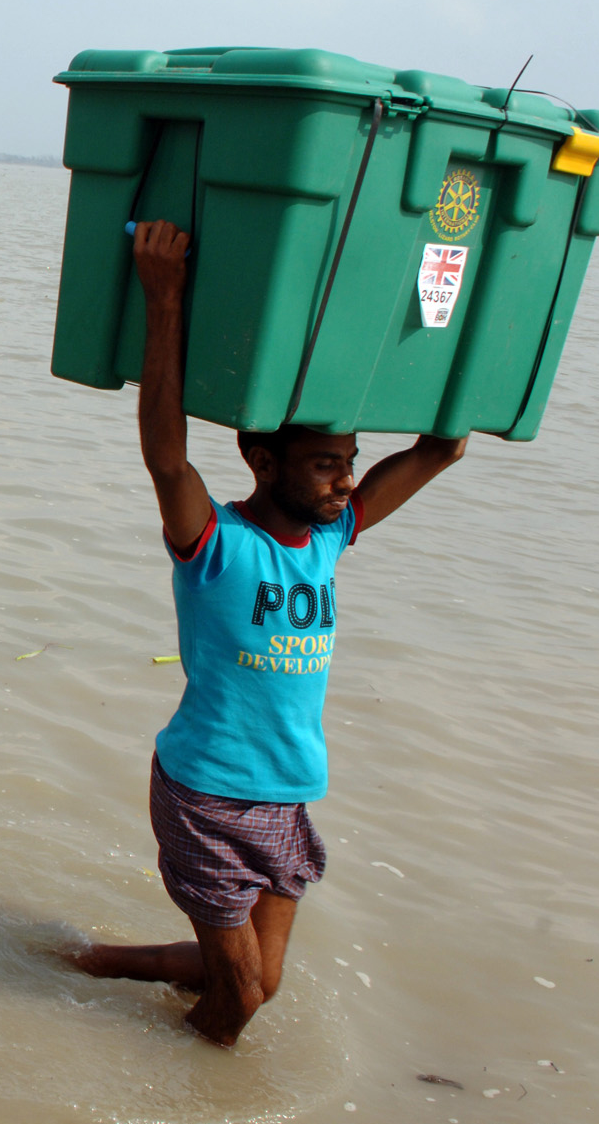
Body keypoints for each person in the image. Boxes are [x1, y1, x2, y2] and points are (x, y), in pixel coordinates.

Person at [64, 218, 468, 1047]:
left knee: (263, 981)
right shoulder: (217, 547)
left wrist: (452, 335)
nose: (345, 479)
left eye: (349, 460)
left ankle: (95, 962)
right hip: (207, 792)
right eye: (326, 463)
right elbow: (167, 460)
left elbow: (439, 451)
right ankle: (188, 1098)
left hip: (288, 792)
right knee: (242, 997)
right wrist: (164, 299)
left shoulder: (326, 539)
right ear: (262, 462)